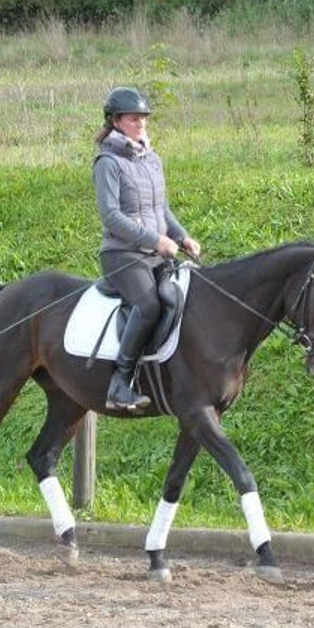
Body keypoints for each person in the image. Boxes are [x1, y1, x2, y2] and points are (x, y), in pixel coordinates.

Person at [93, 86, 201, 412]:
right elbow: (111, 216)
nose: (140, 122)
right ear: (115, 121)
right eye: (133, 117)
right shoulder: (107, 162)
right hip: (121, 254)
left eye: (143, 117)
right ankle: (119, 383)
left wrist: (182, 237)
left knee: (180, 296)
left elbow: (162, 208)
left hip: (156, 253)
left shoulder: (151, 159)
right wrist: (155, 240)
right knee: (149, 305)